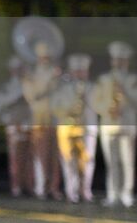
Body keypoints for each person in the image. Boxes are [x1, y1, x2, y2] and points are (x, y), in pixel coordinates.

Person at [91, 41, 135, 207]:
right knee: (112, 161)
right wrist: (108, 109)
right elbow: (95, 101)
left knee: (127, 161)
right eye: (116, 59)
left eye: (122, 60)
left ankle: (126, 194)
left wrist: (127, 93)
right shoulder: (103, 79)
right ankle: (113, 193)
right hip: (109, 123)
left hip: (128, 124)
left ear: (127, 61)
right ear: (112, 61)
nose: (119, 63)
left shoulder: (133, 79)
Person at [52, 53, 97, 203]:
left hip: (86, 128)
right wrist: (67, 110)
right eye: (76, 70)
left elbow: (100, 106)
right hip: (66, 128)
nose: (79, 74)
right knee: (68, 160)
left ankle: (85, 190)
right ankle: (71, 192)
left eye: (82, 70)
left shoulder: (93, 88)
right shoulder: (62, 88)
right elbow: (55, 107)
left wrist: (87, 100)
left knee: (87, 160)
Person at [22, 41, 63, 199]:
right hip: (39, 119)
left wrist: (56, 80)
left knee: (55, 156)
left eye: (47, 57)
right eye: (43, 57)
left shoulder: (56, 73)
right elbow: (33, 96)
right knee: (40, 155)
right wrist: (50, 83)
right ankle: (40, 187)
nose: (45, 60)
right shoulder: (30, 76)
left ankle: (54, 187)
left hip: (55, 118)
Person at [0, 56, 32, 198]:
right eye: (15, 69)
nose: (17, 72)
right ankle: (16, 186)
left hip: (28, 124)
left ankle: (29, 185)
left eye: (20, 69)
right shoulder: (5, 87)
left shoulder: (29, 84)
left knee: (29, 157)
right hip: (13, 125)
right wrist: (8, 120)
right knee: (15, 157)